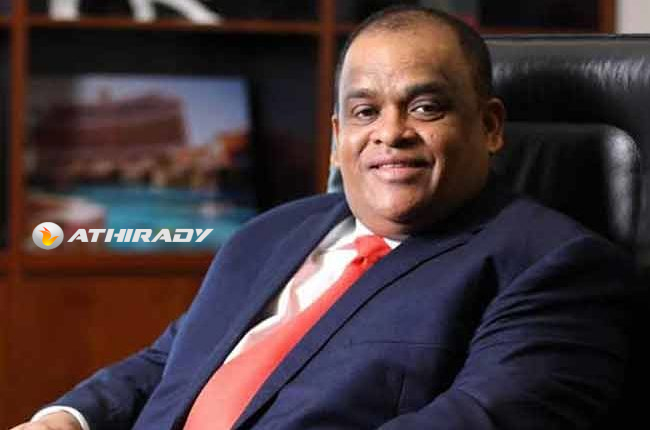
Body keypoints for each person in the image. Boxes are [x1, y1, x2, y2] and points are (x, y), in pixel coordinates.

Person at [11, 5, 630, 430]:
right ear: (337, 139)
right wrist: (66, 418)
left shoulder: (555, 267)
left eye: (424, 107)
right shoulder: (269, 233)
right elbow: (170, 360)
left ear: (490, 127)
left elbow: (479, 420)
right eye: (364, 112)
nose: (390, 133)